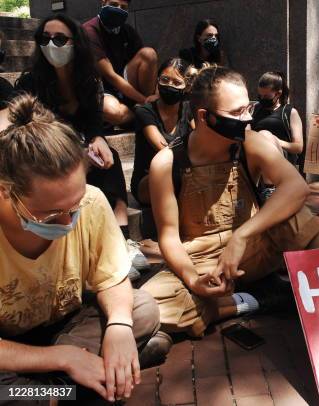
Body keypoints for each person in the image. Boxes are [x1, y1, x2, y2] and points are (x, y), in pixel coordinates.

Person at [140, 67, 319, 337]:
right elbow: (169, 238)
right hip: (204, 263)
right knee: (145, 307)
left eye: (248, 109)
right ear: (204, 117)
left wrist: (242, 235)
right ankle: (249, 301)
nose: (247, 119)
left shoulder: (249, 143)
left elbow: (296, 187)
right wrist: (193, 280)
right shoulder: (166, 163)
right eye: (236, 113)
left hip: (255, 249)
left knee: (296, 215)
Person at [0, 95, 168, 404]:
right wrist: (63, 358)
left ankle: (56, 389)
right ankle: (79, 383)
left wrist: (119, 325)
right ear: (6, 191)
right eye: (51, 214)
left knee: (141, 309)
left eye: (74, 206)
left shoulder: (91, 201)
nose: (68, 221)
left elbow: (111, 278)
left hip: (64, 327)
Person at [12, 14, 147, 275]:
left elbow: (94, 124)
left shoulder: (89, 81)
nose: (52, 45)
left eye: (61, 39)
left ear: (76, 43)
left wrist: (99, 140)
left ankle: (121, 240)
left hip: (80, 148)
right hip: (44, 155)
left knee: (111, 159)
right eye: (45, 38)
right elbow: (29, 132)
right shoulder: (31, 83)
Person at [83, 0, 158, 126]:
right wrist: (146, 102)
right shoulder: (89, 31)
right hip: (102, 88)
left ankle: (141, 113)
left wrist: (155, 95)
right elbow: (110, 76)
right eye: (114, 4)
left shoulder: (127, 31)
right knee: (113, 113)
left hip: (127, 85)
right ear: (103, 3)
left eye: (123, 7)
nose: (118, 9)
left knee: (149, 54)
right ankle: (146, 113)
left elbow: (147, 67)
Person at [132, 58, 195, 205]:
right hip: (149, 181)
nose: (169, 86)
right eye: (165, 80)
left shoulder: (189, 110)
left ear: (186, 87)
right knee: (173, 170)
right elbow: (163, 149)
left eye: (177, 82)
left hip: (183, 174)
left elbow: (201, 139)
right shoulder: (145, 112)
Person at [252, 71, 303, 166]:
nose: (262, 99)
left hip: (282, 161)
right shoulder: (255, 109)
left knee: (265, 135)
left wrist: (275, 141)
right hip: (257, 158)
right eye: (260, 96)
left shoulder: (289, 112)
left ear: (278, 94)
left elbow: (298, 147)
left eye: (266, 96)